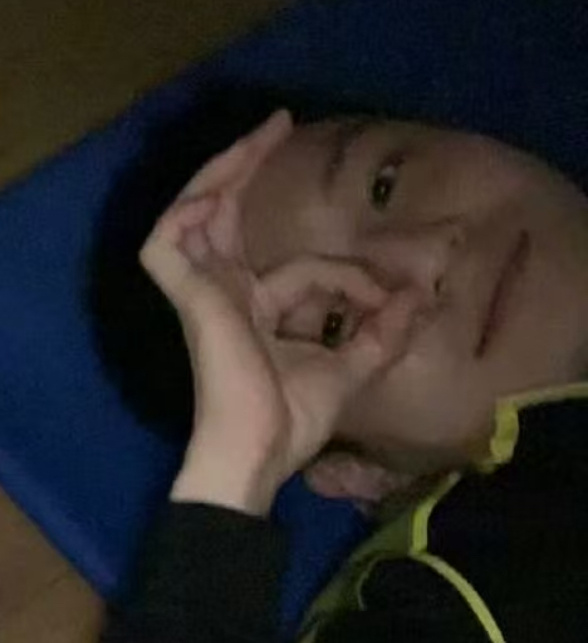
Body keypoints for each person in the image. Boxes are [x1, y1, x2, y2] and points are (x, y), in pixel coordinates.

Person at [101, 110, 588, 642]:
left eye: (385, 185)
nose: (429, 256)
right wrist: (234, 467)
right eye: (336, 324)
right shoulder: (470, 593)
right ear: (364, 474)